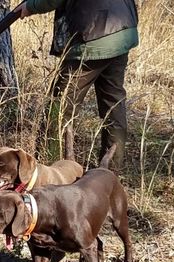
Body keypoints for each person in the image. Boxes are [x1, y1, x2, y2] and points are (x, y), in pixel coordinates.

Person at [15, 0, 139, 170]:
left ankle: (50, 172)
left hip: (93, 35)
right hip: (122, 30)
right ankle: (109, 174)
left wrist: (30, 6)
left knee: (58, 109)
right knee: (113, 106)